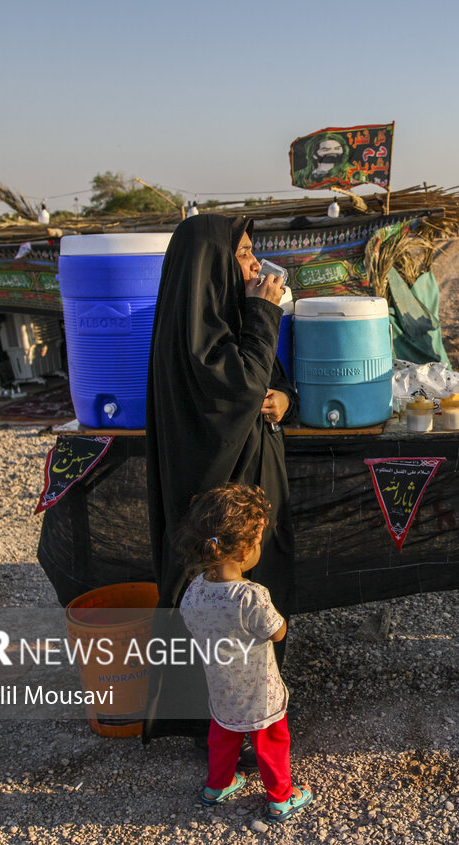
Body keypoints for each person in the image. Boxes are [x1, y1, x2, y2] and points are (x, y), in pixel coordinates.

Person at [144, 214, 296, 741]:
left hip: (246, 493)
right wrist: (262, 312)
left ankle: (257, 715)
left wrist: (281, 398)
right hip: (220, 508)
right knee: (223, 613)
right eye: (245, 253)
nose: (256, 265)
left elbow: (260, 384)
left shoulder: (218, 320)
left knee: (251, 616)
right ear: (212, 264)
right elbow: (236, 388)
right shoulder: (195, 337)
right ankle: (225, 727)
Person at [177, 483, 313, 822]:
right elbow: (277, 631)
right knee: (270, 743)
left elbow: (189, 622)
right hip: (259, 693)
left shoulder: (194, 590)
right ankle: (281, 798)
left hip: (221, 690)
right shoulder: (251, 596)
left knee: (222, 739)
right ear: (243, 552)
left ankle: (216, 786)